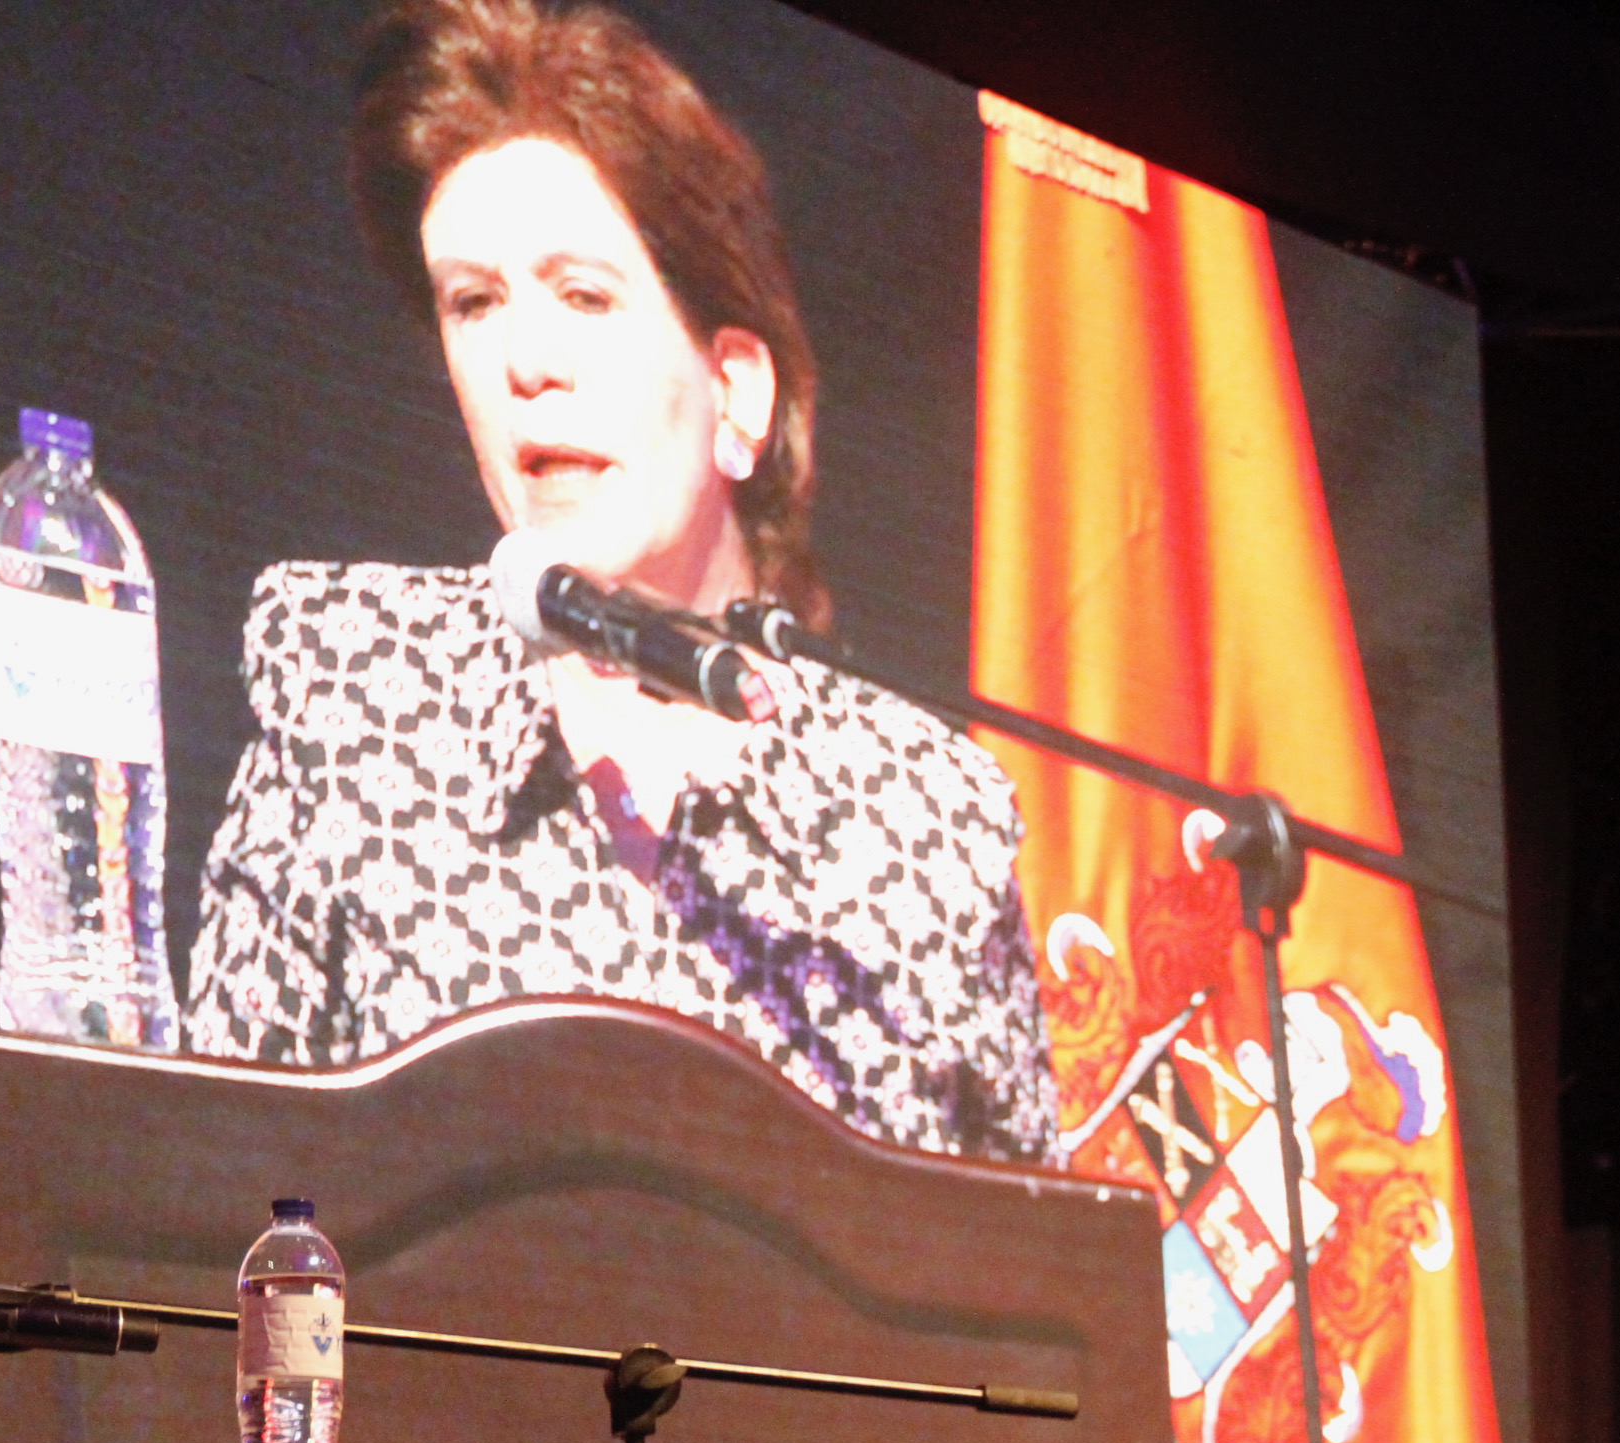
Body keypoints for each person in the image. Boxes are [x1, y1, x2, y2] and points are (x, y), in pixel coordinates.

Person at [183, 0, 1061, 1166]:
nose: (523, 362)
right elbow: (215, 1207)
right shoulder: (356, 694)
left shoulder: (926, 815)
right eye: (474, 303)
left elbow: (1029, 1309)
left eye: (583, 295)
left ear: (737, 393)